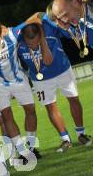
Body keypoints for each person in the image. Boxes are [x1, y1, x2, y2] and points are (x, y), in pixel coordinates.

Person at [0, 16, 47, 162]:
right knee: (7, 116)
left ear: (1, 32)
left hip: (18, 79)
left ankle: (31, 146)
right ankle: (22, 151)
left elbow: (35, 18)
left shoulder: (12, 35)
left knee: (31, 110)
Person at [18, 21, 91, 150]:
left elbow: (43, 15)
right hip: (40, 79)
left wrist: (44, 44)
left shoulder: (49, 28)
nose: (34, 47)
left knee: (74, 99)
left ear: (40, 34)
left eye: (37, 42)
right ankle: (65, 140)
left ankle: (81, 134)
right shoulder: (17, 37)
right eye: (30, 44)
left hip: (63, 70)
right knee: (50, 107)